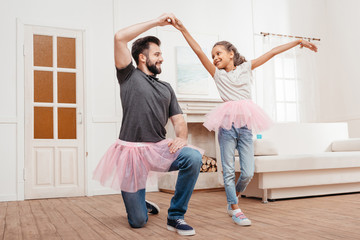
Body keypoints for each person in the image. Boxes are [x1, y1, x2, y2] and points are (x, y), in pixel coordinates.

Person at [172, 17, 318, 226]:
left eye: (218, 53)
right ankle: (235, 209)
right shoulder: (217, 75)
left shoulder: (246, 68)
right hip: (226, 127)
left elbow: (272, 52)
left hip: (246, 126)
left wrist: (298, 42)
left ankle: (234, 198)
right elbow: (198, 51)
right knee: (229, 170)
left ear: (231, 54)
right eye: (213, 55)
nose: (214, 58)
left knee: (248, 172)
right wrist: (183, 29)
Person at [93, 13, 203, 236]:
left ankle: (176, 216)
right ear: (143, 58)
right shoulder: (128, 76)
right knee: (137, 222)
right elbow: (119, 37)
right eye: (157, 54)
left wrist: (181, 137)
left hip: (158, 148)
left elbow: (179, 120)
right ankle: (141, 206)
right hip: (131, 153)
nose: (161, 58)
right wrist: (157, 22)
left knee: (193, 157)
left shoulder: (167, 88)